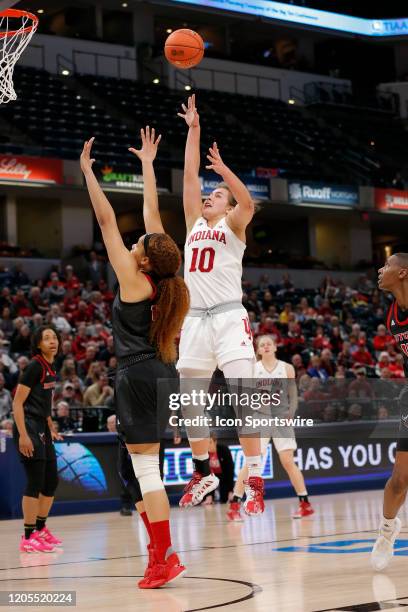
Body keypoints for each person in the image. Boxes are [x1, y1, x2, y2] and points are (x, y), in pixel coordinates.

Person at [80, 127, 190, 589]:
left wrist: (88, 172)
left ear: (143, 261)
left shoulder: (134, 281)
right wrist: (147, 165)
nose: (134, 244)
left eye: (139, 246)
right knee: (139, 468)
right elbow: (152, 219)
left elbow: (107, 223)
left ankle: (164, 557)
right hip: (161, 371)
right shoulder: (165, 280)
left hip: (138, 373)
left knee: (146, 471)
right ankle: (159, 549)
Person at [176, 94, 264, 514]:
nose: (209, 196)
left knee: (245, 396)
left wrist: (225, 172)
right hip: (194, 320)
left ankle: (255, 478)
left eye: (217, 195)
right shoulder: (195, 222)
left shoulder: (232, 225)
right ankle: (203, 471)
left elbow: (246, 203)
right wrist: (193, 129)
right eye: (210, 195)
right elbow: (189, 177)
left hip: (229, 316)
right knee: (188, 398)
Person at [227, 335, 314, 521]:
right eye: (262, 345)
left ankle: (305, 503)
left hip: (281, 419)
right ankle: (234, 505)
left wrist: (290, 413)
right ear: (258, 350)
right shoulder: (252, 369)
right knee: (251, 463)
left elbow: (293, 394)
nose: (265, 346)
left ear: (275, 347)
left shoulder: (287, 368)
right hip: (260, 419)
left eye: (269, 344)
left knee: (288, 461)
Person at [12, 325, 64, 553]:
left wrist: (51, 426)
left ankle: (40, 529)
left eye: (54, 337)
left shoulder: (51, 367)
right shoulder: (34, 366)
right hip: (29, 427)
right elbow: (17, 403)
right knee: (35, 482)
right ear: (38, 344)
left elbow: (44, 401)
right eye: (47, 338)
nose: (52, 341)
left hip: (42, 427)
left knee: (51, 481)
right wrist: (23, 435)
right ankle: (27, 536)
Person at [371, 253, 408, 570]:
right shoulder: (393, 317)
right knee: (399, 480)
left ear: (403, 272)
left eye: (386, 266)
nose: (380, 270)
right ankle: (386, 533)